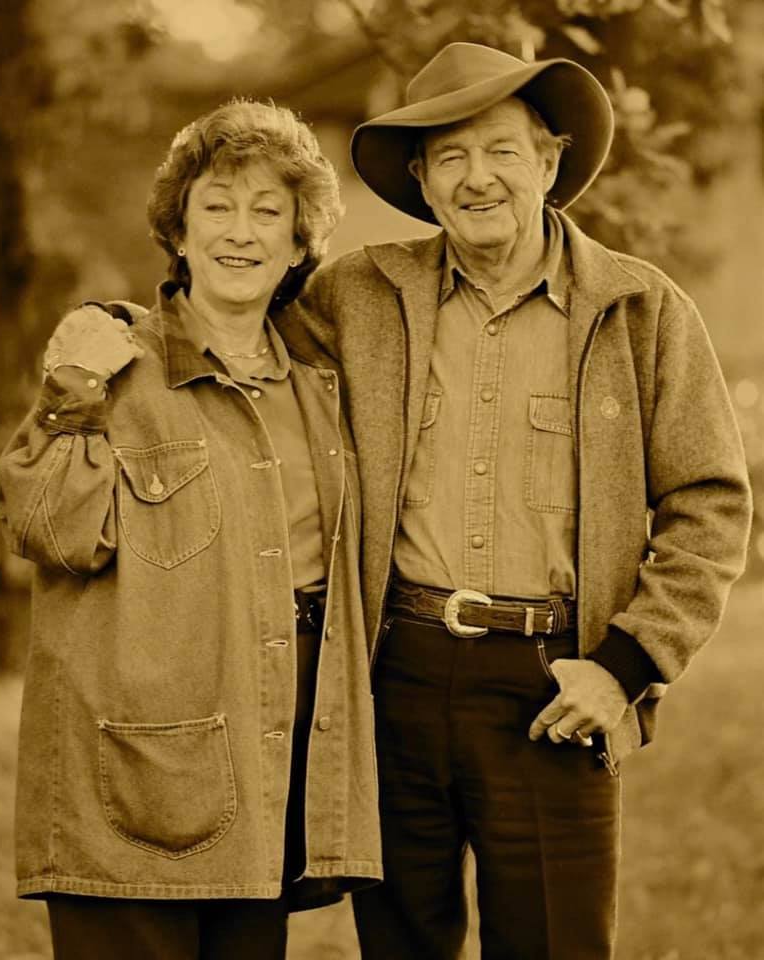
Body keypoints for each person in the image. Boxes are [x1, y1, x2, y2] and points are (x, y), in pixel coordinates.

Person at [275, 43, 753, 959]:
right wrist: (128, 335)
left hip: (556, 685)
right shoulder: (354, 296)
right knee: (403, 944)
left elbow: (710, 504)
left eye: (500, 150)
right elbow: (240, 355)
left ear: (549, 161)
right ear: (421, 179)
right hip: (395, 679)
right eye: (449, 157)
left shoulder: (640, 310)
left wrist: (622, 665)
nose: (476, 177)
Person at [0, 98, 381, 960]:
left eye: (267, 211)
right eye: (216, 207)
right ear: (179, 229)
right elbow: (47, 527)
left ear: (298, 241)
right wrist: (70, 393)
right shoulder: (114, 364)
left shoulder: (319, 383)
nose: (239, 233)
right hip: (129, 790)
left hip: (266, 767)